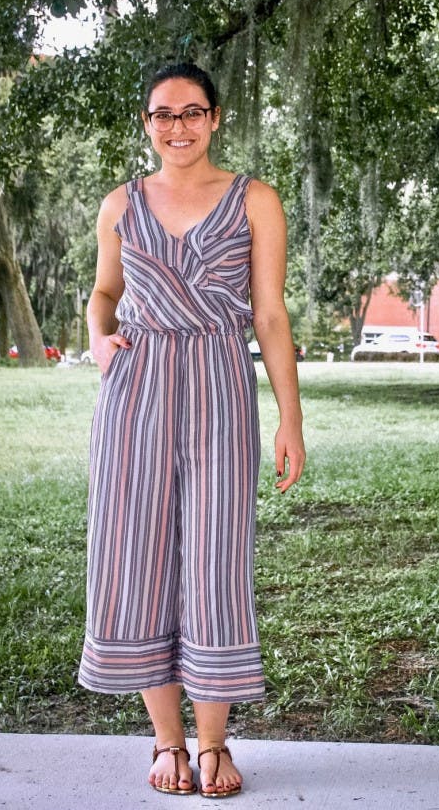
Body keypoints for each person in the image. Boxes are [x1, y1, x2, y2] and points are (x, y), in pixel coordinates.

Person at [78, 62, 306, 797]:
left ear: (215, 119)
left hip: (217, 383)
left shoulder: (255, 201)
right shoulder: (119, 204)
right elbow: (104, 293)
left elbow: (269, 314)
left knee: (214, 563)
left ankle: (213, 746)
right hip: (136, 391)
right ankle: (166, 743)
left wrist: (289, 419)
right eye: (161, 114)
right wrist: (97, 337)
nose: (177, 126)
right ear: (146, 124)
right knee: (138, 558)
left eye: (191, 112)